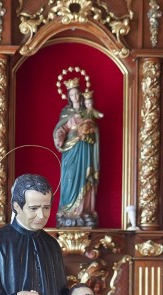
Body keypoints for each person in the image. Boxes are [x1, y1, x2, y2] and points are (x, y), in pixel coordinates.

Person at [53, 79, 100, 228]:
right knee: (70, 177)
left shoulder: (87, 112)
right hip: (70, 150)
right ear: (68, 96)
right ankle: (68, 211)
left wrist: (88, 130)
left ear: (80, 94)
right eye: (71, 94)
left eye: (76, 93)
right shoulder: (66, 112)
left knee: (84, 178)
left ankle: (84, 211)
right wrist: (60, 138)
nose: (74, 96)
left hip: (85, 149)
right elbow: (60, 129)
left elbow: (95, 131)